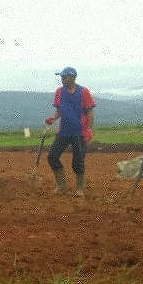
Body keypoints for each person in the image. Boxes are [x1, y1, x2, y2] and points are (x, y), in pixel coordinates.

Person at [44, 67, 96, 197]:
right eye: (61, 77)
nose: (62, 79)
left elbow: (90, 112)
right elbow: (59, 111)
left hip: (79, 132)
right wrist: (53, 118)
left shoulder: (83, 92)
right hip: (63, 131)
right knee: (52, 156)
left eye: (64, 77)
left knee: (78, 161)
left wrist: (89, 129)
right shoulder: (59, 92)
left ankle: (79, 189)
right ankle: (61, 185)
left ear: (72, 77)